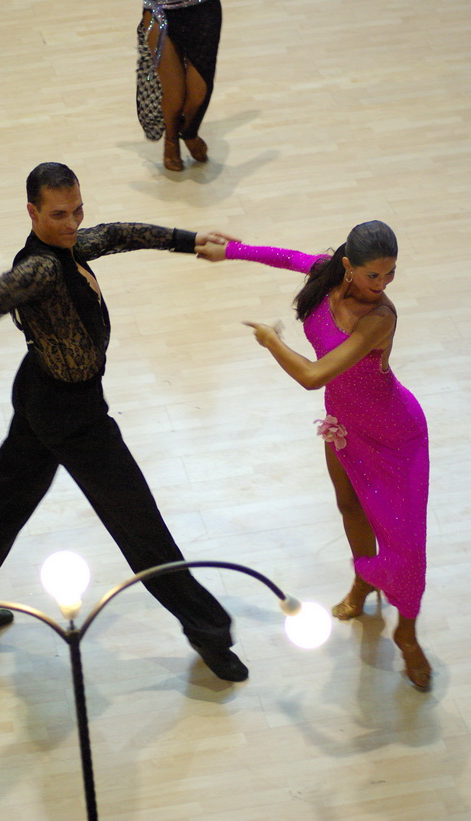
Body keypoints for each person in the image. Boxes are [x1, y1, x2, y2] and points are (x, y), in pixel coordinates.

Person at [0, 161, 248, 683]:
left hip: (42, 392)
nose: (73, 223)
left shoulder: (69, 245)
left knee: (4, 497)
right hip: (72, 416)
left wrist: (190, 240)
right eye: (59, 215)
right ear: (32, 213)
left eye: (77, 210)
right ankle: (209, 629)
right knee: (141, 527)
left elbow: (117, 234)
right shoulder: (40, 268)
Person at [196, 221, 432, 690]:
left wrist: (272, 340)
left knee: (406, 545)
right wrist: (233, 249)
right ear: (347, 266)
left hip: (394, 435)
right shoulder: (326, 275)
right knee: (349, 507)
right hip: (345, 423)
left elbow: (313, 375)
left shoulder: (380, 317)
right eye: (373, 275)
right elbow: (285, 257)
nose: (383, 284)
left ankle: (406, 632)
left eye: (390, 274)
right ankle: (364, 580)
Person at [140, 0, 222, 171]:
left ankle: (189, 132)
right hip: (160, 12)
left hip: (203, 10)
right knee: (175, 95)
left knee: (199, 92)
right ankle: (171, 139)